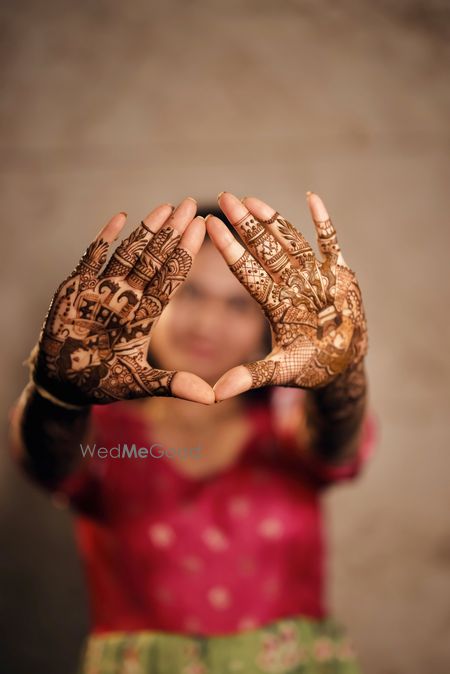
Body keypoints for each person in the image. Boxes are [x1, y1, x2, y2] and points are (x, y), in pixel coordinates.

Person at [9, 191, 378, 673]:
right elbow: (47, 455)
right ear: (147, 303)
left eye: (238, 305)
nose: (207, 324)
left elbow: (337, 444)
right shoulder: (106, 433)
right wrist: (56, 396)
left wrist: (340, 380)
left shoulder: (285, 424)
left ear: (267, 322)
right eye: (190, 293)